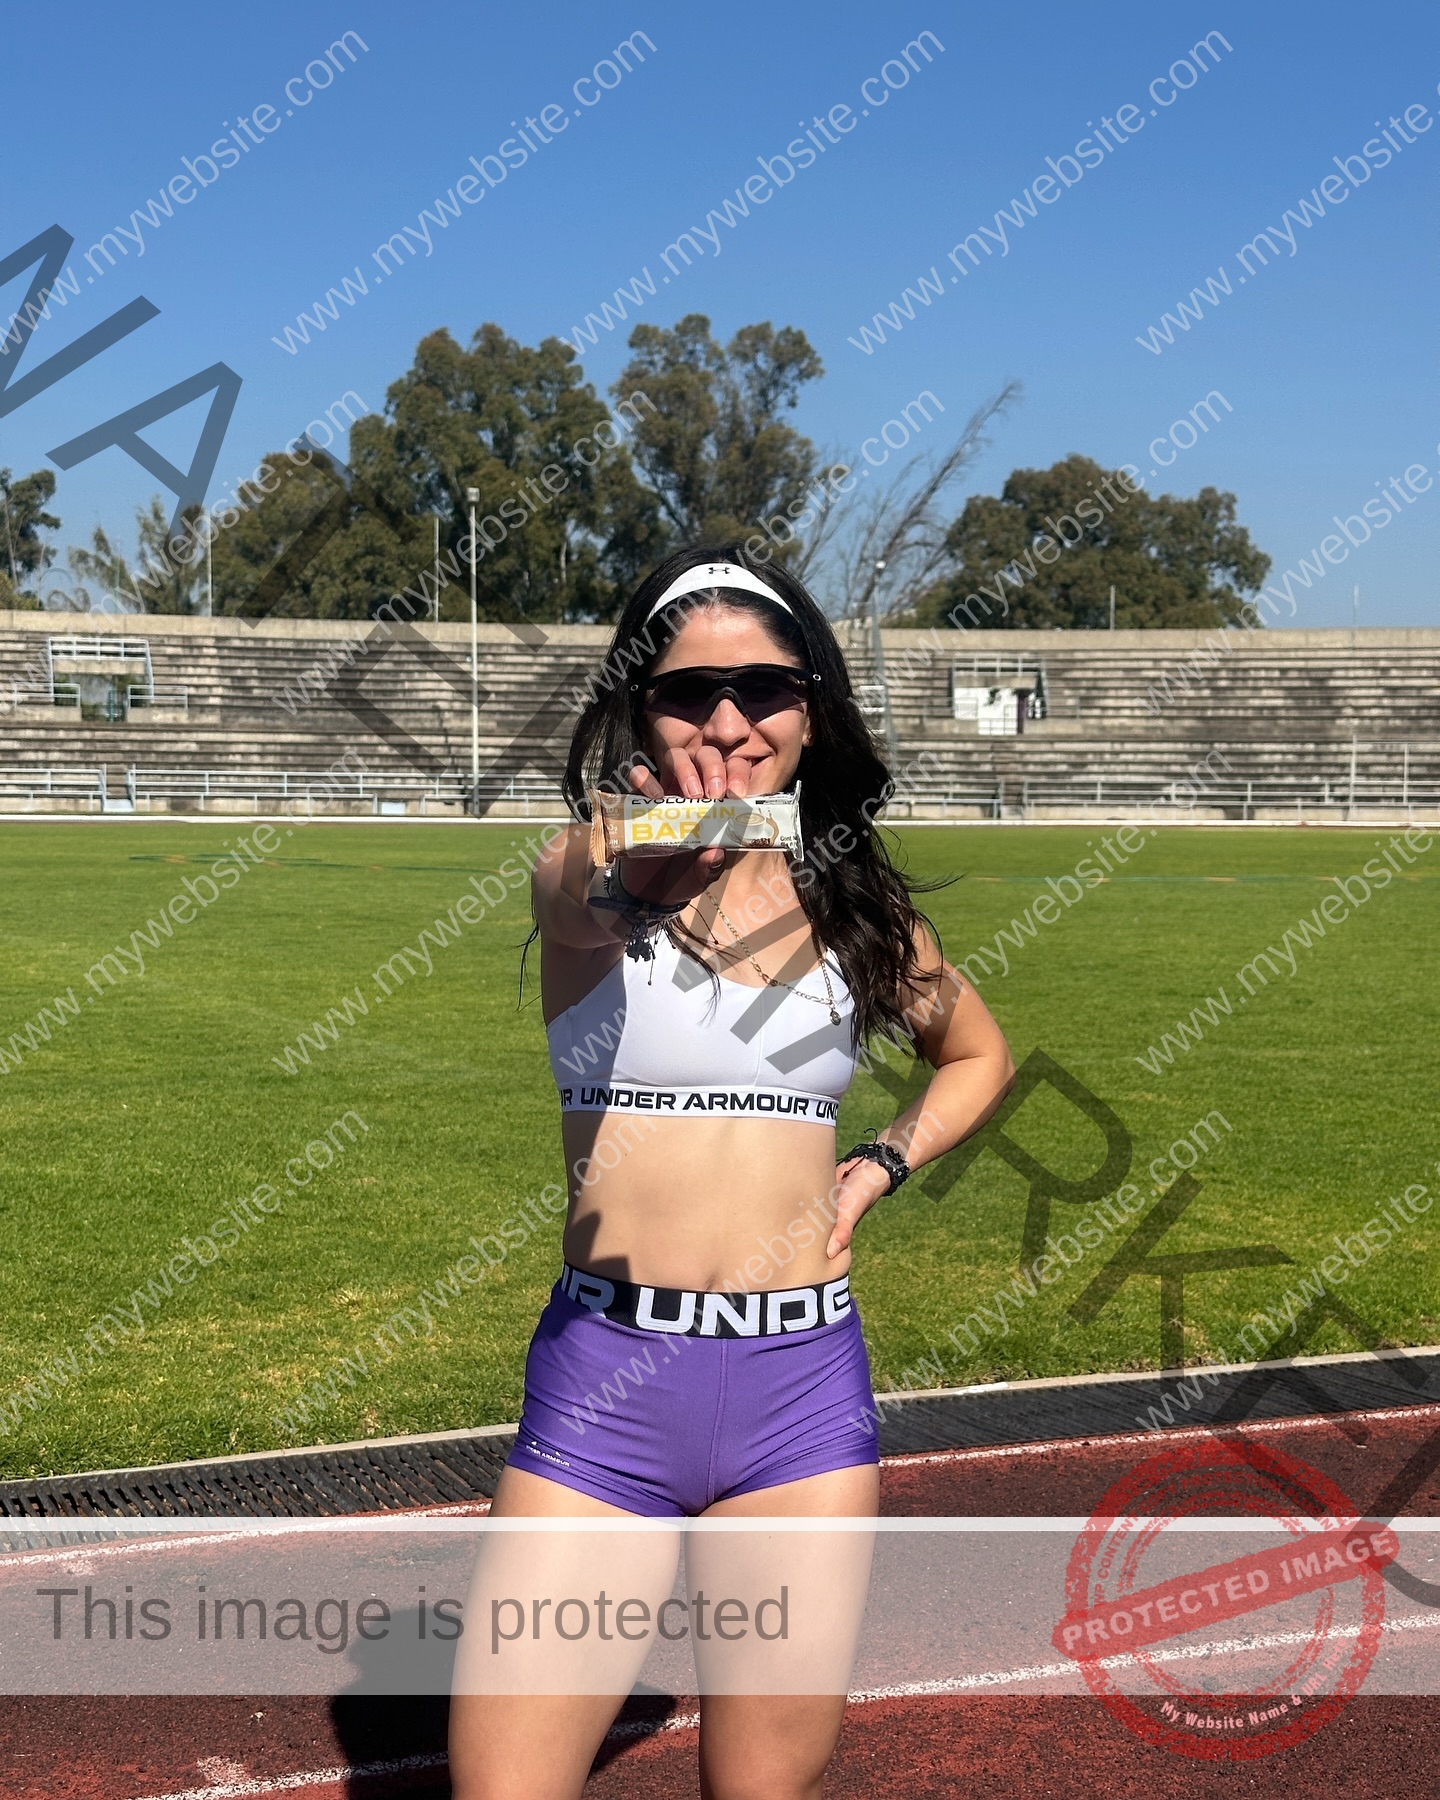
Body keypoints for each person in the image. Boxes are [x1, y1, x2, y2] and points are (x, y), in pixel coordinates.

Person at [449, 546, 1014, 1799]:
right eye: (686, 692)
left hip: (800, 1397)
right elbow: (580, 896)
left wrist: (878, 1164)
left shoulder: (858, 915)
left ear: (810, 709)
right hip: (604, 1394)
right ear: (636, 708)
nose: (725, 721)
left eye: (763, 687)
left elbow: (978, 1055)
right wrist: (648, 869)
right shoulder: (587, 863)